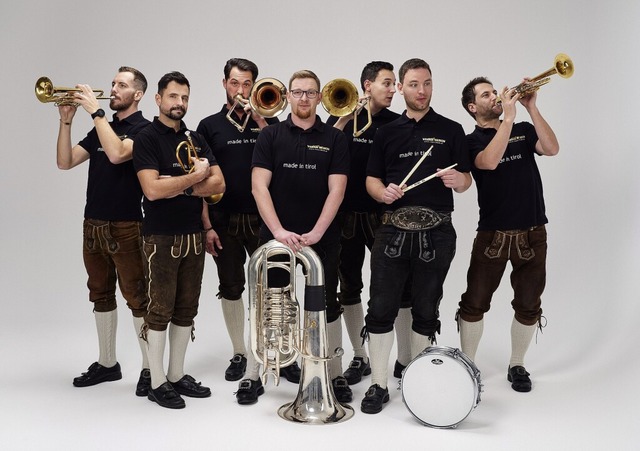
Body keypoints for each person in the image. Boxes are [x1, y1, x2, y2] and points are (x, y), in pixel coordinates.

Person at [361, 58, 472, 414]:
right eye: (413, 84)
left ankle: (419, 380)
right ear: (401, 88)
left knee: (426, 309)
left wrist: (460, 180)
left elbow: (466, 179)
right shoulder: (387, 131)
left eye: (426, 84)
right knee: (381, 308)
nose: (421, 91)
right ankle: (379, 384)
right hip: (392, 227)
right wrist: (382, 193)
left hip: (437, 232)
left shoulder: (451, 129)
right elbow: (371, 179)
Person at [235, 69, 351, 405]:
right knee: (268, 304)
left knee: (328, 305)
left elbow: (337, 190)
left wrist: (317, 231)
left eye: (310, 92)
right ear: (288, 97)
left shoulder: (334, 138)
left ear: (319, 97)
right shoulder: (270, 136)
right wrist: (278, 231)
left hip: (322, 236)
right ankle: (253, 374)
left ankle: (334, 373)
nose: (304, 98)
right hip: (276, 235)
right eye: (298, 92)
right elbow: (259, 187)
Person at [196, 58, 297, 384]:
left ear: (254, 86)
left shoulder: (272, 123)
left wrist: (261, 118)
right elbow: (200, 181)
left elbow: (287, 159)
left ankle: (280, 354)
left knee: (276, 287)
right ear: (224, 84)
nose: (240, 90)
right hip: (223, 219)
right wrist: (207, 226)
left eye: (246, 84)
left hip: (265, 220)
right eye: (234, 83)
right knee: (231, 286)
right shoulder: (208, 125)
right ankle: (241, 352)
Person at [457, 77, 559, 392]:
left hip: (533, 232)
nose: (495, 96)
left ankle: (517, 364)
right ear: (473, 107)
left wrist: (531, 108)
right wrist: (510, 119)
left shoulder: (524, 128)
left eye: (494, 91)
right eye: (486, 94)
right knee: (474, 302)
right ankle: (467, 365)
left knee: (529, 304)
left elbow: (552, 148)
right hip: (492, 234)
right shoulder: (470, 141)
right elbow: (488, 162)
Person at [56, 66, 152, 396]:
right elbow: (65, 161)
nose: (112, 89)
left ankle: (150, 368)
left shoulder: (145, 130)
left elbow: (118, 154)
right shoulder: (102, 127)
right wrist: (66, 121)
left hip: (127, 225)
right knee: (100, 293)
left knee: (137, 297)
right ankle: (108, 363)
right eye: (112, 83)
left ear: (137, 94)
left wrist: (96, 113)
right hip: (92, 223)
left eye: (121, 85)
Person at [133, 71, 225, 409]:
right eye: (173, 96)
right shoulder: (146, 138)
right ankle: (157, 381)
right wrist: (196, 177)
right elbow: (152, 190)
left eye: (184, 97)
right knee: (159, 310)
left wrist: (180, 185)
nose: (180, 103)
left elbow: (219, 184)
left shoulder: (195, 137)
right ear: (158, 99)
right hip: (160, 237)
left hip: (193, 235)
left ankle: (175, 373)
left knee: (187, 309)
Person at [327, 61, 412, 385]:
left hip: (384, 215)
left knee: (397, 286)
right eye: (386, 83)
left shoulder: (397, 123)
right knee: (349, 287)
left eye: (393, 84)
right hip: (346, 215)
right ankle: (360, 356)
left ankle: (404, 359)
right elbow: (325, 150)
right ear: (367, 85)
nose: (393, 90)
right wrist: (346, 116)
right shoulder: (342, 118)